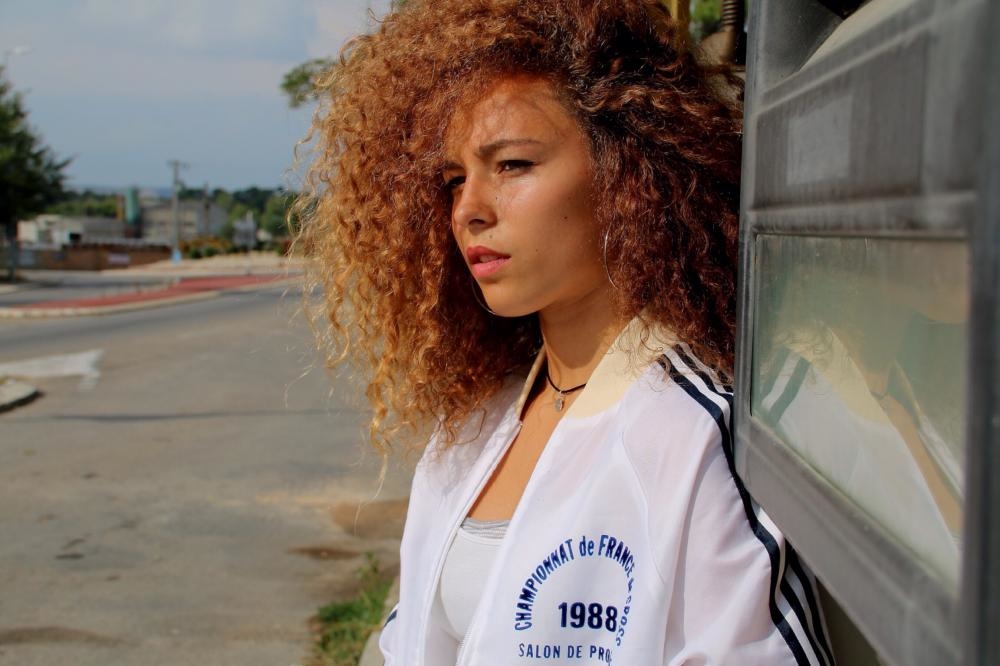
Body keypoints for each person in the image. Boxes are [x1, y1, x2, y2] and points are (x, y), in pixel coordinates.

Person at [295, 0, 834, 663]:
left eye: (512, 165)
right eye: (454, 179)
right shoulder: (471, 429)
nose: (468, 209)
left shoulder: (694, 436)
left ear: (627, 170)